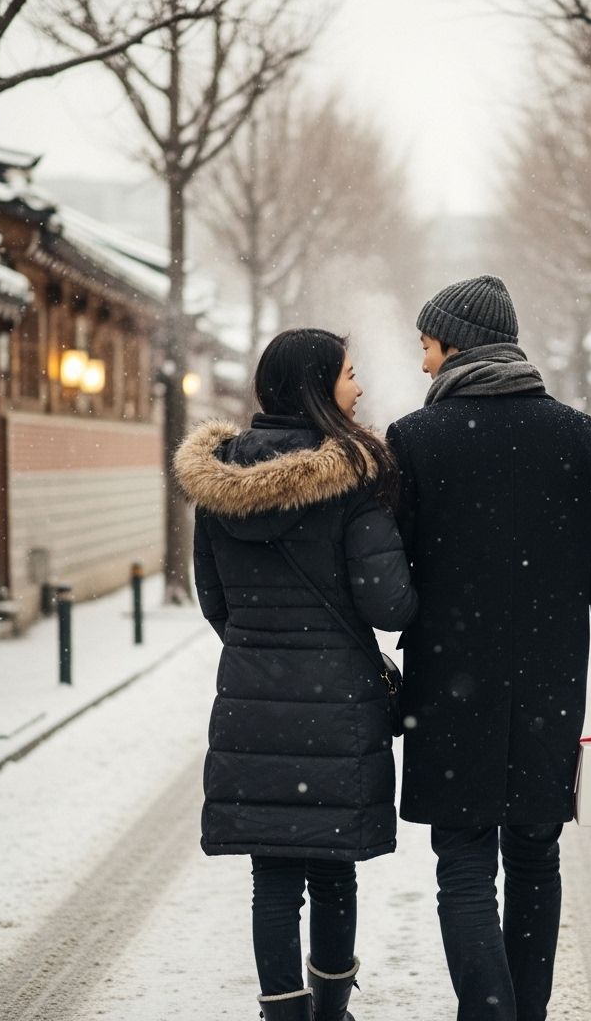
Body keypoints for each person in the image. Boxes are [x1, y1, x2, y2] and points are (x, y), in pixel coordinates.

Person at [385, 276, 591, 1021]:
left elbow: (393, 578)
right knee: (536, 856)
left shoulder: (415, 440)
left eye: (428, 346)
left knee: (464, 862)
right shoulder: (584, 437)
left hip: (447, 686)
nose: (423, 365)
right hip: (547, 685)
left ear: (458, 345)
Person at [174, 328, 418, 1021]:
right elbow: (389, 604)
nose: (359, 387)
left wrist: (266, 647)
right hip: (338, 702)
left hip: (251, 699)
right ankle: (331, 1011)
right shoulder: (353, 481)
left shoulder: (216, 484)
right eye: (348, 373)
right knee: (333, 871)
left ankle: (282, 1014)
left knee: (272, 878)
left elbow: (214, 600)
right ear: (316, 386)